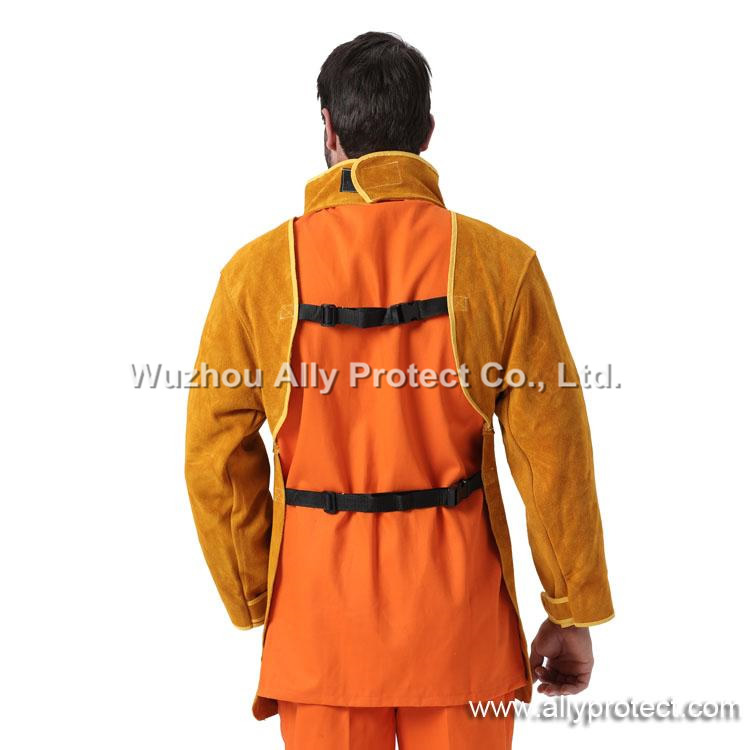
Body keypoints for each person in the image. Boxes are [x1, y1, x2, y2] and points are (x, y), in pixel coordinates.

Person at [185, 31, 614, 750]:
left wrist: (256, 591)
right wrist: (571, 609)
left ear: (328, 128)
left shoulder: (256, 274)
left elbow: (215, 456)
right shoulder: (500, 266)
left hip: (316, 637)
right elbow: (554, 457)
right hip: (461, 636)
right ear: (427, 133)